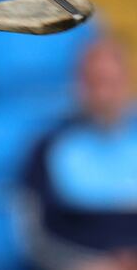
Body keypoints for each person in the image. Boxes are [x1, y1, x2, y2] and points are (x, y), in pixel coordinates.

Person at [16, 35, 137, 270]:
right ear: (79, 85)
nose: (104, 95)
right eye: (95, 83)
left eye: (111, 83)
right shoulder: (48, 148)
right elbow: (32, 235)